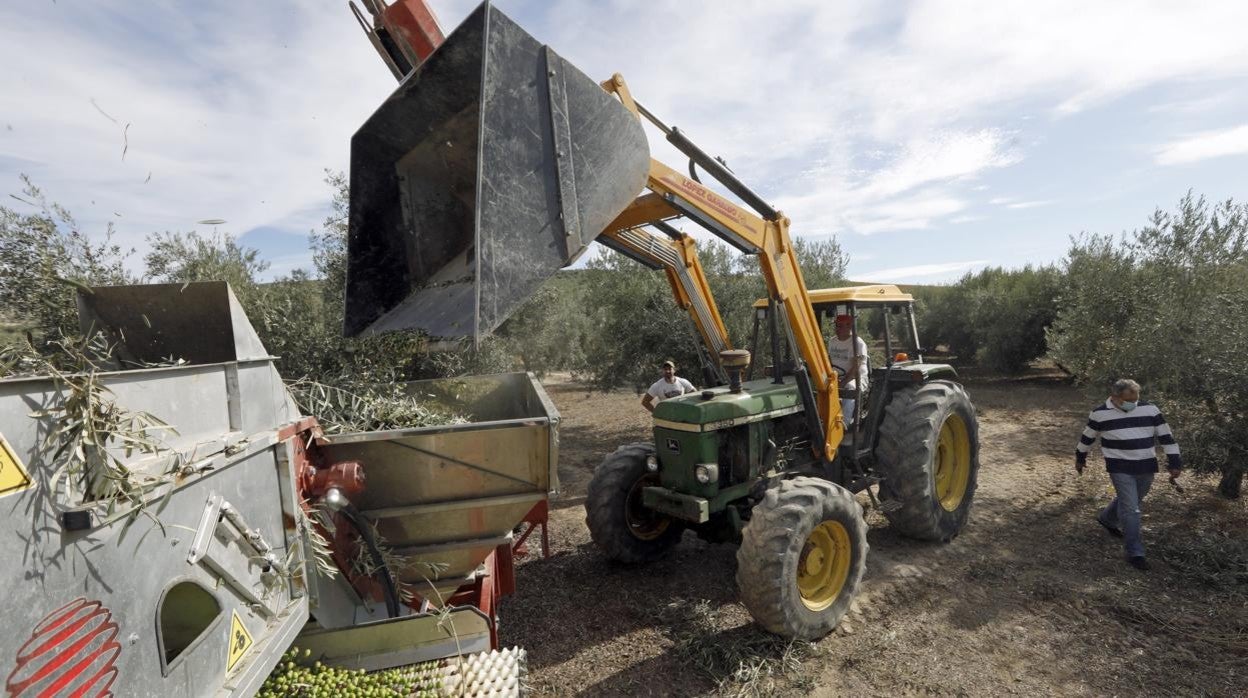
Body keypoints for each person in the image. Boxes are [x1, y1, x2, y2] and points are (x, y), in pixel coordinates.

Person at [1075, 378, 1182, 571]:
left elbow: (1167, 437)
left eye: (1136, 398)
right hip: (1119, 466)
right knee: (1131, 509)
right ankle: (1135, 552)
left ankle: (1107, 518)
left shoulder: (1151, 410)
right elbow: (1087, 437)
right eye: (1128, 399)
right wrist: (1080, 457)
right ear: (1115, 398)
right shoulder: (1100, 414)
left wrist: (1175, 462)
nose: (1134, 403)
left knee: (1130, 501)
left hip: (1146, 466)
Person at [827, 314, 869, 428]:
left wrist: (842, 383)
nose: (837, 329)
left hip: (855, 378)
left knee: (850, 388)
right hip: (837, 376)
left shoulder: (858, 343)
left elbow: (856, 367)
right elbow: (829, 362)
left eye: (840, 326)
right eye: (836, 326)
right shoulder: (832, 341)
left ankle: (843, 426)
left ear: (850, 326)